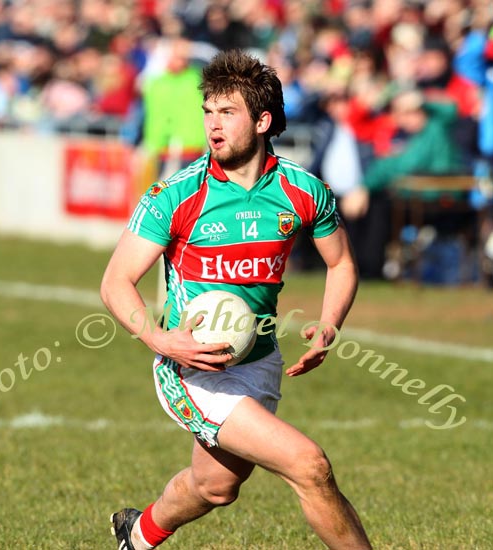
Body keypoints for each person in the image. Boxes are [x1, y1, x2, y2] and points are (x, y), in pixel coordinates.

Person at [101, 49, 372, 550]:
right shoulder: (176, 195)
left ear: (263, 120)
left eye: (227, 113)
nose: (213, 125)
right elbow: (116, 282)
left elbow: (342, 265)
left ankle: (136, 536)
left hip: (259, 359)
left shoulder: (304, 190)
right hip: (192, 367)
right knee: (308, 465)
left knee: (215, 486)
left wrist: (329, 325)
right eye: (208, 112)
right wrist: (161, 339)